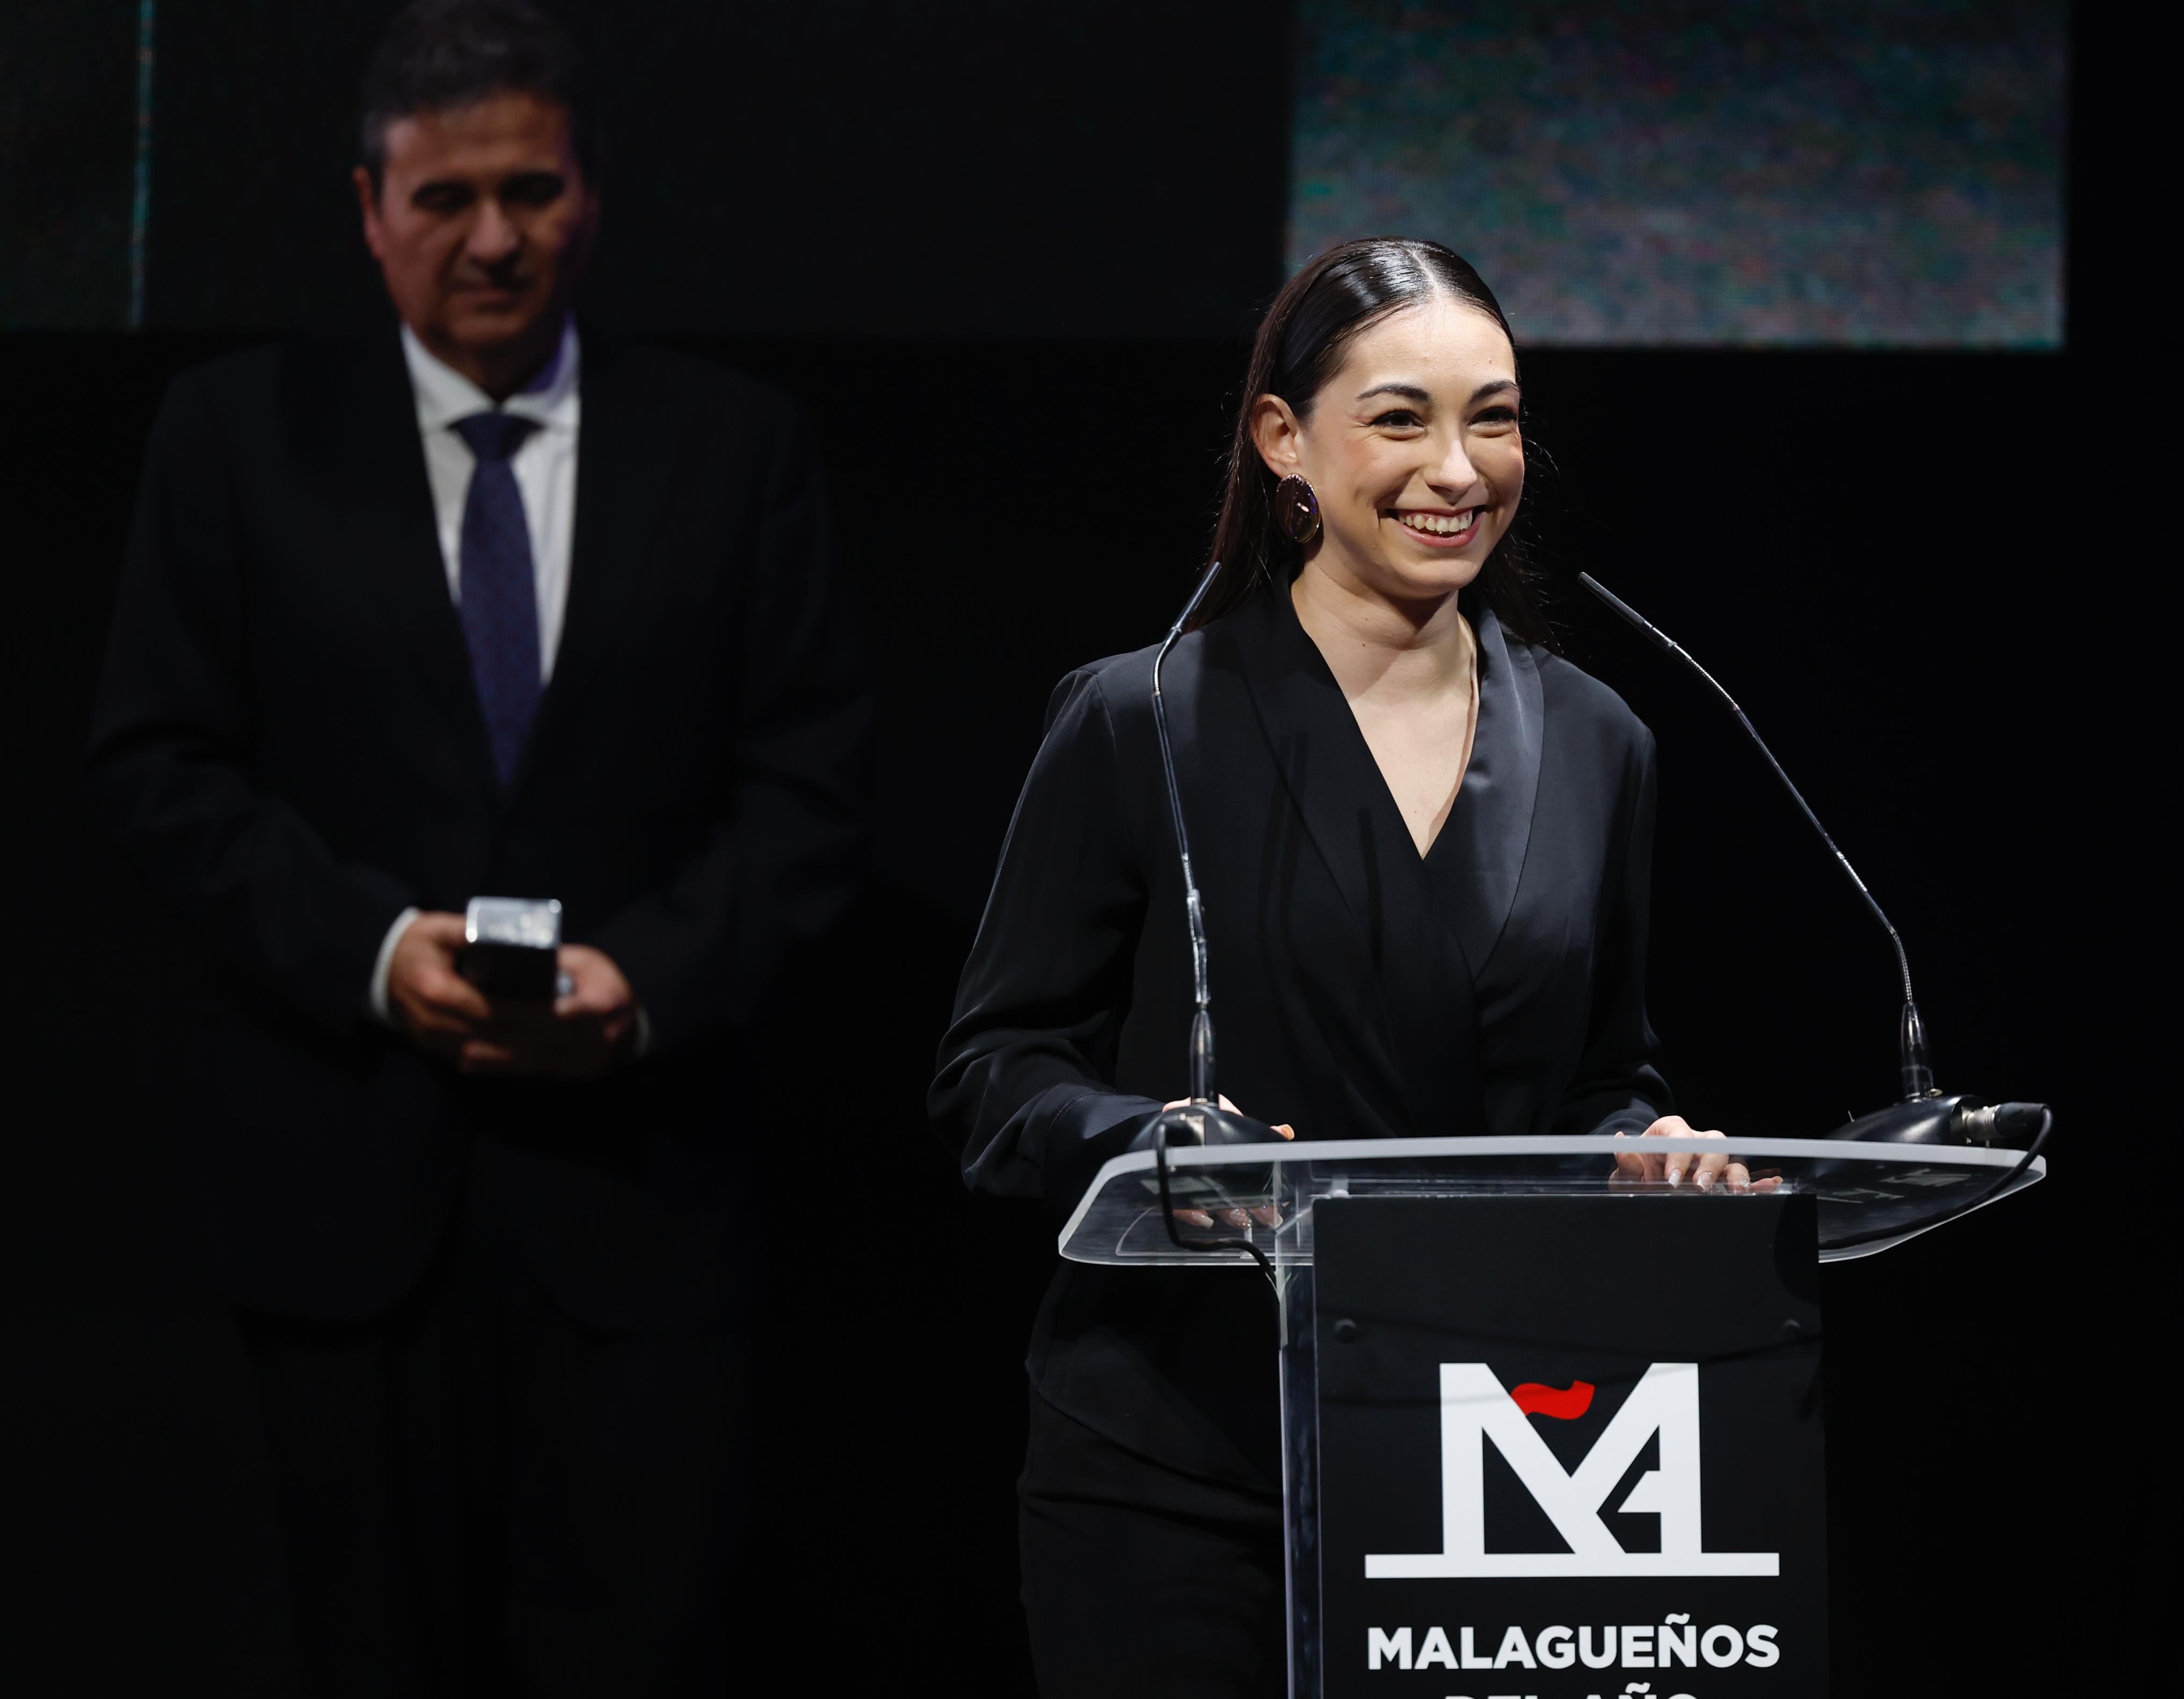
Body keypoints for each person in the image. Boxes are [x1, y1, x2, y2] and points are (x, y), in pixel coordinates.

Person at [85, 2, 869, 1690]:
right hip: (338, 1200)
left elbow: (812, 787)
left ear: (591, 197)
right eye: (444, 200)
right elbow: (157, 764)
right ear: (369, 206)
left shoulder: (734, 449)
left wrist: (646, 976)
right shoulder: (235, 438)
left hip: (647, 1211)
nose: (493, 238)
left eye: (531, 190)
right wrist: (379, 954)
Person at [931, 237, 1752, 1698]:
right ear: (1282, 440)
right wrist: (1159, 1143)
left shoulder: (1602, 740)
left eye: (1492, 418)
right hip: (1179, 1454)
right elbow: (994, 1075)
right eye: (1400, 417)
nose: (1458, 468)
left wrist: (1649, 1147)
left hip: (1499, 1454)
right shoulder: (1145, 718)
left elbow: (1603, 1073)